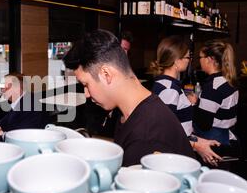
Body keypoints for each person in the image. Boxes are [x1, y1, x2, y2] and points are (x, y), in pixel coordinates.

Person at [62, 29, 195, 167]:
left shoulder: (146, 136)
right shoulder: (132, 111)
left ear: (106, 74)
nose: (86, 94)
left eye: (86, 84)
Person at [150, 36, 222, 166]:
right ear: (176, 61)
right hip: (174, 155)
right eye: (188, 57)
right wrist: (196, 146)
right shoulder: (169, 89)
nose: (189, 61)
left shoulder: (169, 85)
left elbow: (180, 126)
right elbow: (166, 133)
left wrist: (200, 141)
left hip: (180, 148)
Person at [190, 40, 240, 163]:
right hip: (225, 135)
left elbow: (204, 123)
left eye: (200, 57)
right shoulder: (228, 80)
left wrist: (194, 104)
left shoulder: (213, 87)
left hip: (214, 140)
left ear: (210, 59)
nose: (199, 60)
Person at [0, 73, 49, 140]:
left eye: (6, 87)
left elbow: (22, 136)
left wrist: (0, 133)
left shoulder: (31, 107)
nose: (2, 90)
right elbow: (7, 118)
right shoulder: (23, 99)